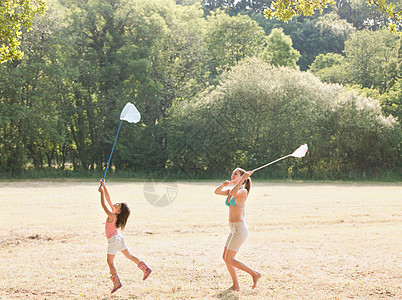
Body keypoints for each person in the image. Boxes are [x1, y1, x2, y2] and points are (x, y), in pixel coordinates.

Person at [98, 179, 151, 293]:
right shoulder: (115, 212)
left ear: (119, 211)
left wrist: (101, 193)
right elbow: (108, 199)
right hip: (119, 238)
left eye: (118, 205)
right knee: (129, 256)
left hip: (114, 240)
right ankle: (145, 269)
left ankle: (116, 282)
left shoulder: (112, 215)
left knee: (110, 262)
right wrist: (104, 186)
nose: (115, 203)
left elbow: (103, 203)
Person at [214, 168, 261, 291]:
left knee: (230, 258)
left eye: (236, 174)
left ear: (242, 177)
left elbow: (235, 193)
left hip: (240, 229)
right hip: (233, 229)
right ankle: (236, 285)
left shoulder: (243, 191)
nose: (232, 175)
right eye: (232, 173)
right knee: (225, 257)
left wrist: (243, 179)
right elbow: (216, 192)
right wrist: (223, 185)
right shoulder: (232, 189)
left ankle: (255, 274)